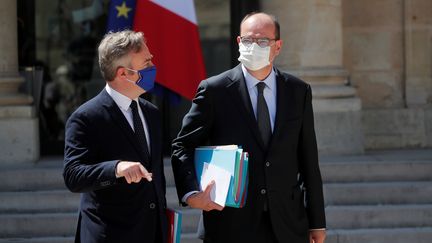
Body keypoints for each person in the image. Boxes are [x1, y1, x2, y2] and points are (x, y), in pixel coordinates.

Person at [171, 12, 326, 243]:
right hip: (230, 224)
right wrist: (191, 193)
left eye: (263, 41)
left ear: (278, 46)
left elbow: (309, 161)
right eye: (247, 40)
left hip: (287, 224)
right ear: (238, 42)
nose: (254, 46)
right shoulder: (215, 90)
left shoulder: (298, 91)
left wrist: (317, 222)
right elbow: (182, 145)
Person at [63, 30, 167, 243]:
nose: (153, 68)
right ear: (123, 74)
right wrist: (116, 169)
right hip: (110, 234)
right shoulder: (86, 117)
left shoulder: (152, 113)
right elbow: (73, 176)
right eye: (146, 63)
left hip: (152, 231)